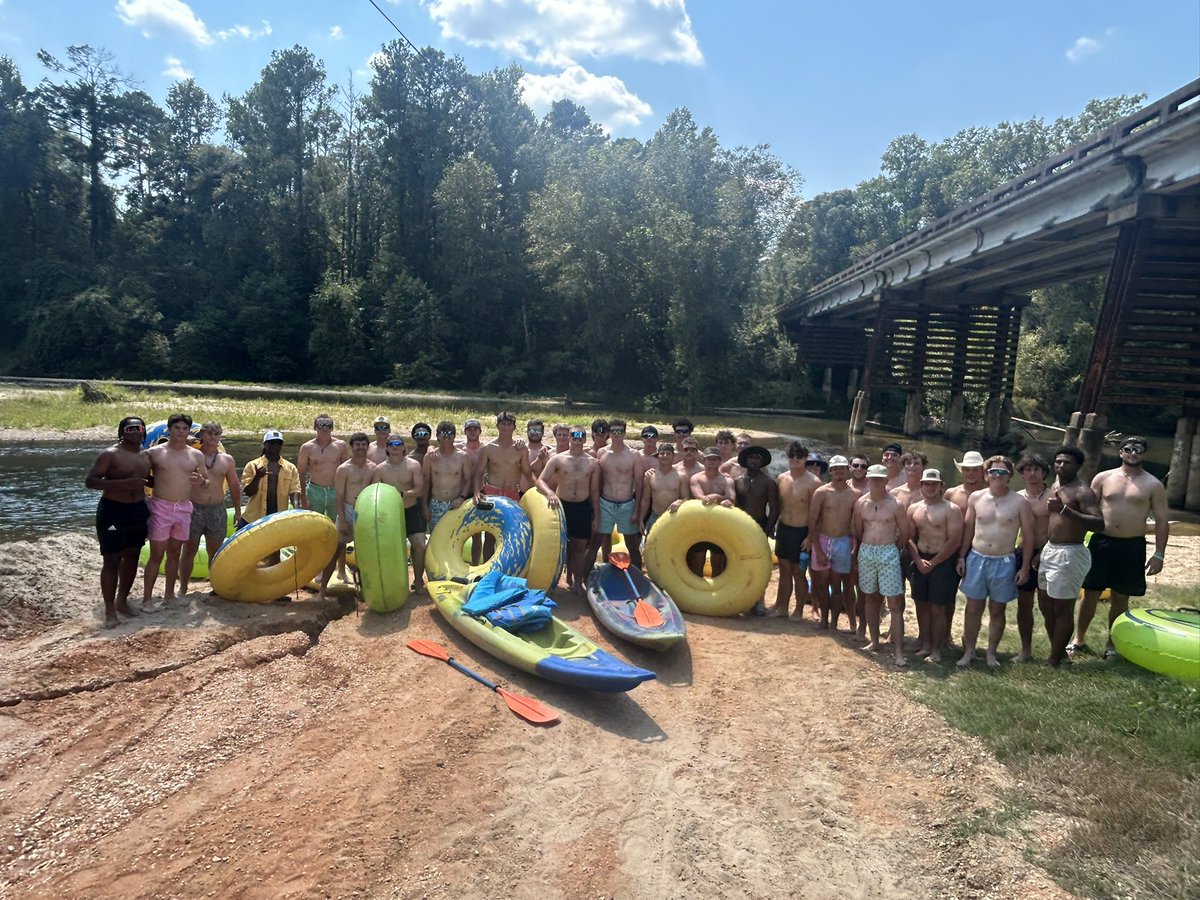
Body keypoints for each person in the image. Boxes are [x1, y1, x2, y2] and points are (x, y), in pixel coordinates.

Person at [1073, 436, 1170, 659]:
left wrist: (1159, 554)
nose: (1133, 453)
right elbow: (1087, 511)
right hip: (1102, 541)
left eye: (1138, 450)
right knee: (1090, 593)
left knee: (1121, 596)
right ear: (1121, 452)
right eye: (1129, 449)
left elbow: (1162, 521)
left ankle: (1111, 643)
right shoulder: (1103, 477)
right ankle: (1078, 639)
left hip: (1132, 545)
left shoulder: (1153, 484)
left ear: (1144, 453)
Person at [956, 456, 1034, 668]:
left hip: (1004, 561)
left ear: (1009, 476)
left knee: (997, 610)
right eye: (993, 472)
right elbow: (968, 530)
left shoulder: (1020, 502)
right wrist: (962, 556)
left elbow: (1028, 537)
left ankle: (991, 653)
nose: (997, 476)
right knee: (973, 608)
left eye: (1002, 472)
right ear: (986, 474)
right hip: (977, 558)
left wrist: (1025, 567)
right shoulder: (976, 498)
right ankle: (969, 651)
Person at [85, 417, 152, 628]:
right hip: (113, 510)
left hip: (138, 509)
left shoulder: (146, 455)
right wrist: (124, 483)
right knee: (112, 559)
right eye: (130, 428)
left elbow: (152, 479)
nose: (135, 431)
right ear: (122, 432)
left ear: (144, 431)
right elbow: (90, 481)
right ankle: (109, 609)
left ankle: (122, 601)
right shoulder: (110, 454)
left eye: (138, 428)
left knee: (133, 555)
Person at [1040, 446, 1104, 667]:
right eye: (1058, 461)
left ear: (1077, 466)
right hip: (1050, 550)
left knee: (1062, 608)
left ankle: (1054, 659)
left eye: (1066, 462)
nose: (1061, 466)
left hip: (1070, 552)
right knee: (1045, 605)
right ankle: (1059, 652)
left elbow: (1099, 522)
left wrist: (1064, 510)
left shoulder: (1082, 491)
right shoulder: (1056, 485)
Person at [143, 414, 208, 609]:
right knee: (156, 554)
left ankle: (169, 594)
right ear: (169, 429)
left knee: (174, 553)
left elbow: (206, 481)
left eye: (184, 428)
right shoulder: (154, 453)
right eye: (177, 428)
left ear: (189, 431)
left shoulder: (196, 455)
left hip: (184, 508)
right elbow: (142, 476)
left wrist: (202, 482)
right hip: (160, 507)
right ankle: (147, 599)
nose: (181, 431)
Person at [852, 464, 910, 666]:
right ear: (868, 480)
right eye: (873, 478)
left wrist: (893, 548)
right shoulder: (861, 503)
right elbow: (858, 530)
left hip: (888, 552)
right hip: (867, 550)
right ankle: (874, 641)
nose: (876, 482)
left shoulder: (896, 505)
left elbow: (904, 532)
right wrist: (865, 546)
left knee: (894, 603)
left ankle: (898, 651)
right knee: (870, 598)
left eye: (880, 478)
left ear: (886, 481)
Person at [179, 422, 242, 596]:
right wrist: (189, 439)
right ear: (203, 434)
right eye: (210, 433)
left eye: (217, 433)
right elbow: (173, 446)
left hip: (216, 509)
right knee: (189, 550)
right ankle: (183, 587)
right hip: (194, 508)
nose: (213, 437)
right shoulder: (192, 455)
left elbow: (234, 485)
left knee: (215, 552)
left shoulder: (226, 459)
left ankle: (215, 586)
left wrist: (237, 510)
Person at [907, 469, 963, 663]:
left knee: (937, 607)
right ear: (921, 486)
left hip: (942, 561)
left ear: (941, 486)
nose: (930, 487)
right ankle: (926, 643)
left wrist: (935, 562)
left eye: (934, 484)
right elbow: (909, 537)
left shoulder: (952, 509)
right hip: (920, 559)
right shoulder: (914, 508)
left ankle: (937, 649)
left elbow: (954, 541)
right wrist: (917, 559)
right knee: (921, 604)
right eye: (926, 484)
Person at [536, 427, 599, 595]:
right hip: (561, 506)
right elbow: (541, 480)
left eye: (581, 436)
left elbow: (594, 492)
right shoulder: (557, 459)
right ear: (569, 438)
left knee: (579, 547)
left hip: (582, 508)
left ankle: (578, 583)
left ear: (585, 439)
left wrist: (596, 517)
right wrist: (549, 492)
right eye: (574, 435)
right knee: (557, 546)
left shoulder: (592, 463)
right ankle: (551, 582)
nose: (577, 439)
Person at [807, 455, 860, 632]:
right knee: (822, 583)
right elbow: (812, 521)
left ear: (848, 470)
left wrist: (855, 547)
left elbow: (856, 523)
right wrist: (818, 549)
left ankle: (835, 622)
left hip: (843, 542)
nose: (839, 471)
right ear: (830, 471)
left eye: (842, 468)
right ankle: (824, 618)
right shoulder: (822, 492)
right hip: (823, 539)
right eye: (835, 468)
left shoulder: (855, 494)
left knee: (838, 585)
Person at [322, 432, 376, 600]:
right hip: (346, 509)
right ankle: (322, 591)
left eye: (363, 444)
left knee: (365, 553)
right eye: (357, 445)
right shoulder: (344, 469)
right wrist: (343, 520)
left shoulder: (374, 468)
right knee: (336, 549)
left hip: (365, 511)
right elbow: (338, 497)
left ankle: (365, 589)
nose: (360, 448)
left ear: (368, 446)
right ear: (351, 447)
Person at [371, 435, 428, 594]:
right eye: (391, 444)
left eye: (398, 444)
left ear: (404, 447)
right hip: (390, 514)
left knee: (419, 545)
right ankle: (395, 583)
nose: (395, 446)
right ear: (386, 448)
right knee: (391, 549)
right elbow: (375, 493)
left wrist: (402, 494)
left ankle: (418, 581)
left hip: (411, 510)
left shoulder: (413, 465)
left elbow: (419, 490)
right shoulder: (380, 469)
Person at [297, 414, 350, 581]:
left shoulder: (340, 445)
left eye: (327, 426)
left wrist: (346, 494)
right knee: (316, 532)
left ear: (332, 428)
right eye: (321, 425)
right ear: (315, 427)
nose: (324, 429)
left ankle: (341, 570)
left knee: (340, 531)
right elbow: (301, 473)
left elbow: (346, 470)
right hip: (315, 490)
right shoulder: (307, 448)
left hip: (335, 491)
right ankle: (319, 569)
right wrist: (303, 498)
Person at [774, 441, 822, 620]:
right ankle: (782, 607)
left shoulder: (813, 482)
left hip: (801, 531)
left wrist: (810, 537)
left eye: (799, 457)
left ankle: (799, 610)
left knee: (798, 572)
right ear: (788, 458)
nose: (795, 459)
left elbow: (816, 514)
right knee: (784, 570)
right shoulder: (781, 478)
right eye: (792, 456)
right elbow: (777, 506)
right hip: (784, 528)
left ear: (805, 458)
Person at [944, 450, 986, 647]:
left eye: (974, 469)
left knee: (975, 599)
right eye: (967, 469)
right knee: (947, 594)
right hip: (952, 549)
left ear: (981, 470)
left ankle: (969, 639)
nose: (970, 473)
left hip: (978, 550)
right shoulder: (951, 493)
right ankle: (945, 633)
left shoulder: (989, 493)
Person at [734, 445, 780, 615]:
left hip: (761, 524)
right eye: (751, 457)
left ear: (762, 462)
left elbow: (775, 508)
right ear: (745, 461)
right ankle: (741, 599)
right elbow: (734, 504)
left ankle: (759, 602)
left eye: (757, 458)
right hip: (741, 525)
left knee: (760, 564)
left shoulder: (768, 482)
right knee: (740, 562)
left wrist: (768, 529)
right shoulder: (737, 481)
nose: (753, 461)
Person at [1014, 454, 1051, 661]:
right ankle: (1025, 649)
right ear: (1021, 473)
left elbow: (1057, 528)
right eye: (1027, 469)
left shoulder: (1052, 496)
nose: (1032, 473)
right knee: (1024, 604)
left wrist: (1042, 552)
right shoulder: (1018, 497)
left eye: (1036, 469)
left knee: (1048, 604)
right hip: (1022, 553)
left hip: (1047, 552)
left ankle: (1057, 648)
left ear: (1044, 473)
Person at [689, 447, 735, 576]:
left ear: (720, 461)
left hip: (719, 526)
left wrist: (717, 497)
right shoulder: (696, 478)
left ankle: (716, 593)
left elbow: (732, 498)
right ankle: (696, 594)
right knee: (697, 562)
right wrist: (716, 498)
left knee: (717, 563)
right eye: (709, 459)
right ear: (704, 461)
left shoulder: (727, 480)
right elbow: (699, 496)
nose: (712, 462)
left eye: (715, 459)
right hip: (700, 524)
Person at [240, 430, 301, 525]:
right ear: (265, 444)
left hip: (278, 518)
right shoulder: (252, 465)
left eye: (278, 443)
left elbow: (295, 492)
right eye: (272, 443)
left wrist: (297, 511)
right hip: (253, 518)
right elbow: (248, 493)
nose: (275, 445)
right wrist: (257, 477)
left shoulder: (291, 468)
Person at [473, 411, 536, 503]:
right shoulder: (487, 448)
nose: (506, 427)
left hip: (512, 492)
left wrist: (539, 488)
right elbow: (479, 472)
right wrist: (476, 492)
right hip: (492, 492)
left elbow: (528, 472)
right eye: (503, 424)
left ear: (514, 427)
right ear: (497, 426)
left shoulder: (521, 449)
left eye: (509, 424)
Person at [423, 422, 473, 534]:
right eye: (443, 433)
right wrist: (424, 506)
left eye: (450, 433)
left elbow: (468, 480)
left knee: (454, 538)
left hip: (455, 504)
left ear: (455, 436)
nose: (446, 436)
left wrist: (461, 497)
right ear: (437, 436)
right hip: (436, 504)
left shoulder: (463, 457)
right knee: (435, 537)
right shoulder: (430, 457)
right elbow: (426, 482)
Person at [637, 442, 687, 538]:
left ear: (673, 457)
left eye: (668, 454)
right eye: (662, 453)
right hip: (655, 516)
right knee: (650, 548)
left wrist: (680, 502)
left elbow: (686, 498)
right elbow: (645, 500)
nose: (665, 456)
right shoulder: (650, 476)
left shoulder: (681, 476)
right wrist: (641, 520)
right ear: (657, 456)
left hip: (674, 517)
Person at [521, 418, 553, 492]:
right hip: (524, 495)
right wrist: (538, 460)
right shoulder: (521, 450)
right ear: (527, 431)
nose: (534, 433)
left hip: (543, 495)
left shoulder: (549, 451)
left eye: (538, 431)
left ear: (542, 433)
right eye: (532, 430)